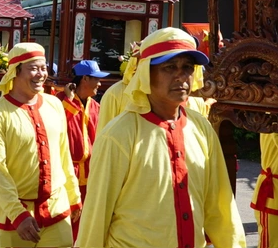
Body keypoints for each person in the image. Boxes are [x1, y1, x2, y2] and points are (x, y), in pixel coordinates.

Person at [77, 27, 246, 248]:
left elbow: (221, 205)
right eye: (169, 67)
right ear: (147, 74)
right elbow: (96, 214)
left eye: (187, 67)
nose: (181, 76)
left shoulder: (201, 127)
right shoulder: (118, 135)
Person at [0, 43, 81, 248]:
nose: (40, 74)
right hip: (14, 216)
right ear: (15, 71)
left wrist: (74, 196)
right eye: (33, 68)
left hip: (56, 208)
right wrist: (18, 214)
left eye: (43, 68)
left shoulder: (54, 105)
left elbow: (63, 156)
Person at [56, 59, 108, 241]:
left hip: (90, 169)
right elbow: (57, 127)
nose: (100, 84)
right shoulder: (59, 101)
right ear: (84, 78)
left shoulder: (96, 106)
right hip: (66, 169)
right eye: (96, 79)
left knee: (86, 214)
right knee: (65, 213)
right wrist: (69, 101)